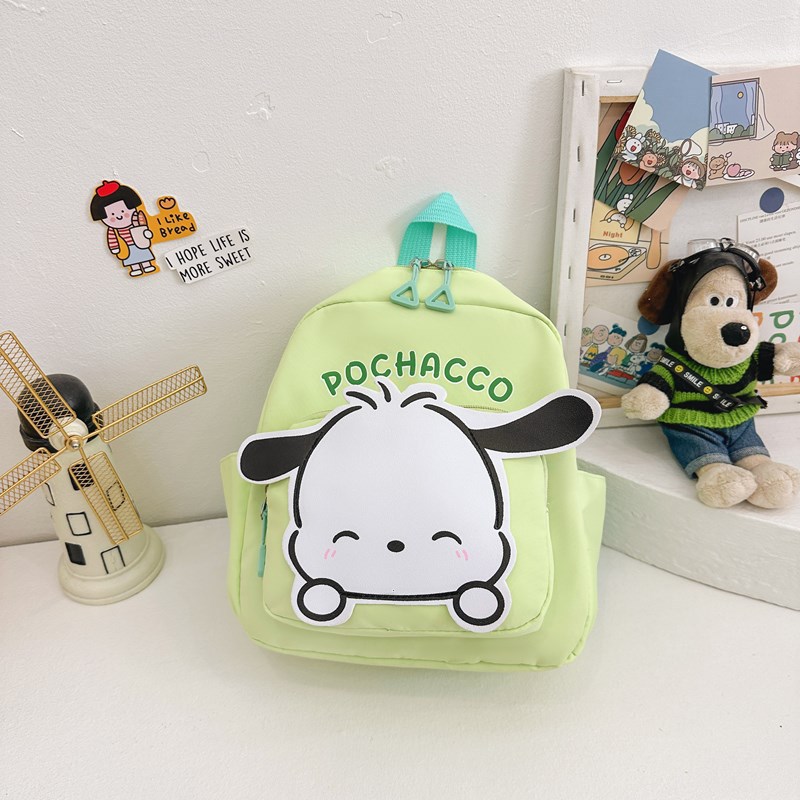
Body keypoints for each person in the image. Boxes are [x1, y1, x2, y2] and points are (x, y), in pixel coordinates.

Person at [90, 180, 158, 277]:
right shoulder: (113, 230)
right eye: (112, 214)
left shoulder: (137, 219)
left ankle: (147, 265)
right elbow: (112, 238)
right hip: (126, 246)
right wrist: (115, 248)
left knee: (144, 254)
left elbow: (143, 228)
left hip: (140, 243)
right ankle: (135, 268)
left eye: (123, 211)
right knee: (131, 258)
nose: (119, 216)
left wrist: (146, 233)